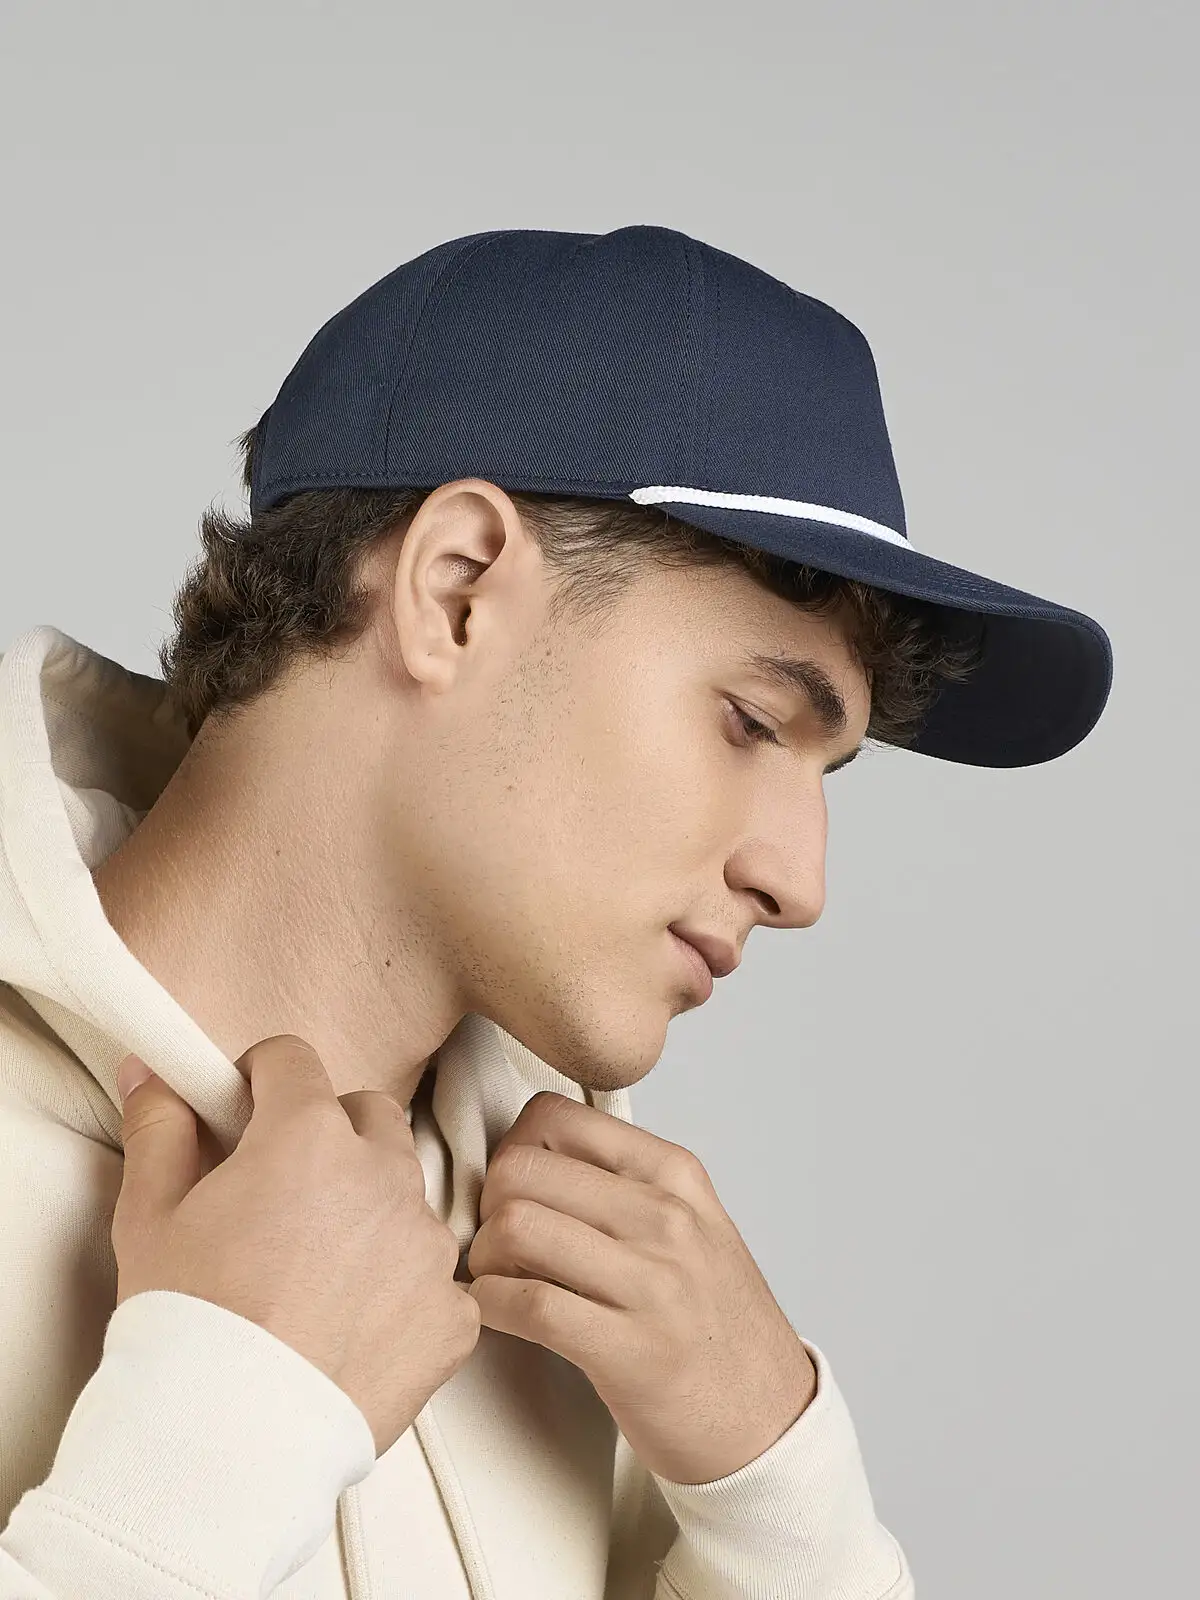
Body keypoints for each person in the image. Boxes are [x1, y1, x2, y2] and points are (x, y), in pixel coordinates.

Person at [0, 225, 1112, 1599]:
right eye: (751, 720)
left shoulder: (585, 1295)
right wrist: (210, 1456)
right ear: (458, 592)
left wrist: (783, 1513)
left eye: (824, 775)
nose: (802, 883)